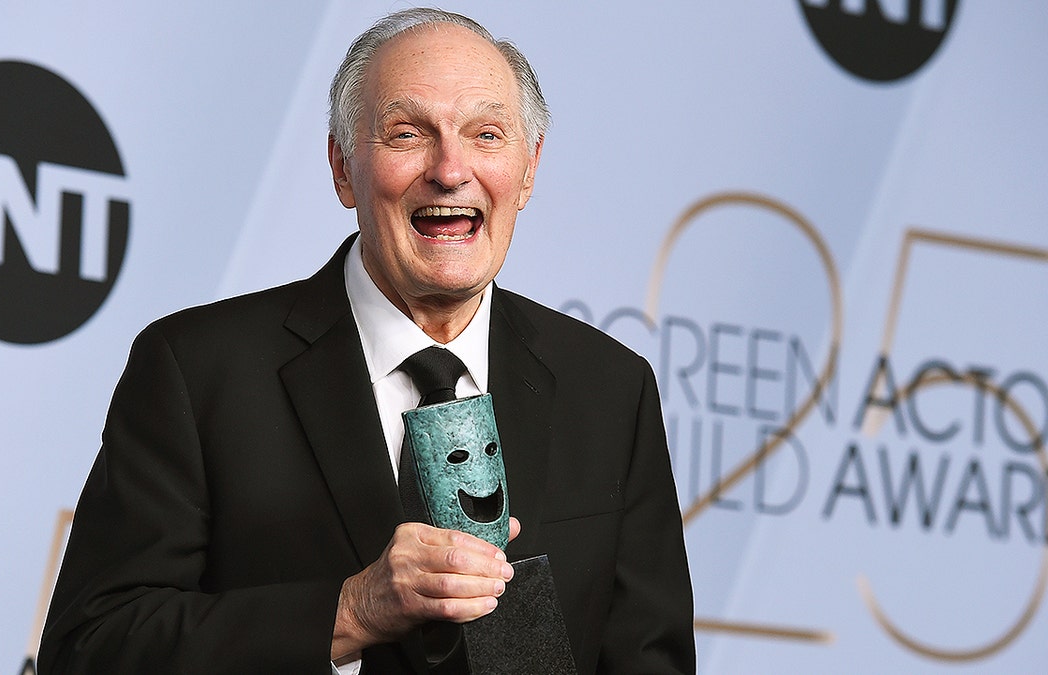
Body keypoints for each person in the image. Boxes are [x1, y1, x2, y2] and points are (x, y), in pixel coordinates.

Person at [38, 7, 694, 674]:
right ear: (342, 167)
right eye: (408, 134)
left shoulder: (611, 389)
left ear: (528, 169)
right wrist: (350, 611)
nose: (450, 169)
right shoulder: (198, 371)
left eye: (487, 134)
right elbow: (91, 646)